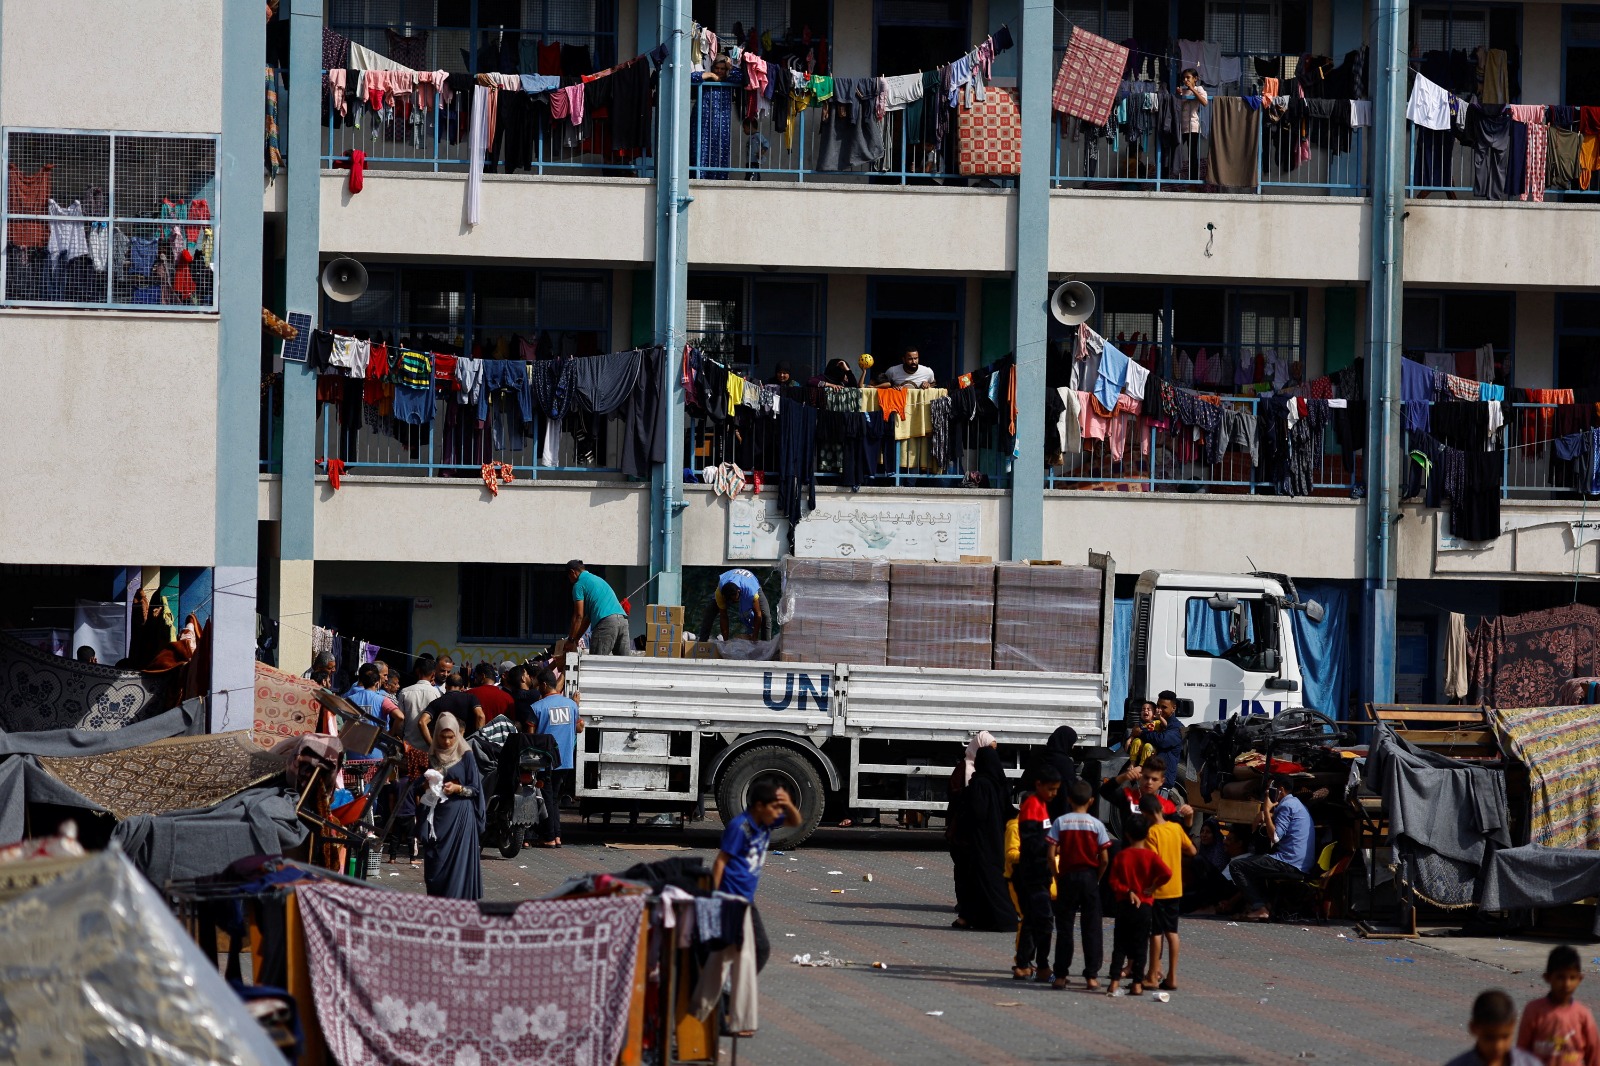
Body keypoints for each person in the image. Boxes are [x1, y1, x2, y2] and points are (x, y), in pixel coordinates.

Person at [1048, 779, 1111, 991]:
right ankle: (1091, 976)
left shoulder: (1061, 822)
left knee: (1064, 927)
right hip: (1089, 877)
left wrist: (1056, 875)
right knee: (1091, 927)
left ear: (1068, 800)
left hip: (1067, 877)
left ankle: (1060, 975)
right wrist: (1098, 877)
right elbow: (1104, 858)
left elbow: (1050, 853)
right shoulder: (1097, 825)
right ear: (1092, 801)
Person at [1227, 778, 1318, 921]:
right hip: (1300, 863)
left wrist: (1265, 809)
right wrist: (1268, 815)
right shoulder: (1295, 804)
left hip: (1290, 863)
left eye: (1270, 789)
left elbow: (1275, 837)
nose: (1267, 792)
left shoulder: (1286, 805)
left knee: (1237, 866)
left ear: (1280, 790)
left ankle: (1260, 907)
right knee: (1255, 862)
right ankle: (1266, 904)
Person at [416, 712, 486, 899]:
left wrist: (457, 788)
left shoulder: (466, 756)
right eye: (442, 736)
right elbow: (417, 785)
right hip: (437, 817)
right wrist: (426, 785)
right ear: (436, 734)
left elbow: (475, 789)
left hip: (460, 818)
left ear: (457, 735)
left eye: (451, 737)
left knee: (458, 865)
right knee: (435, 862)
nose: (447, 742)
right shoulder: (431, 755)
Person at [954, 746, 1018, 932]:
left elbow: (977, 813)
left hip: (981, 840)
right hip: (997, 838)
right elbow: (1007, 810)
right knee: (982, 879)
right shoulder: (999, 783)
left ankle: (1004, 919)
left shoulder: (980, 784)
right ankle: (972, 918)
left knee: (983, 878)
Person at [1105, 817, 1170, 998]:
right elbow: (1167, 873)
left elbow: (1113, 881)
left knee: (1120, 944)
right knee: (1141, 945)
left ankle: (1114, 981)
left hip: (1125, 905)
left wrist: (1128, 891)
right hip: (1145, 905)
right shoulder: (1151, 856)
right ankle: (1137, 984)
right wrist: (1153, 887)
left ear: (1127, 834)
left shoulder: (1122, 856)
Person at [523, 668, 583, 847]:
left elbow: (530, 736)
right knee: (554, 798)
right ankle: (556, 836)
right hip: (564, 760)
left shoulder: (537, 707)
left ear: (543, 685)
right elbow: (579, 728)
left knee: (546, 797)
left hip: (544, 761)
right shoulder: (572, 705)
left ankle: (549, 837)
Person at [1141, 794, 1195, 991]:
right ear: (1162, 810)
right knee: (1172, 932)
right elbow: (1192, 851)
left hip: (1159, 890)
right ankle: (1172, 976)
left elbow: (1153, 865)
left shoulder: (1151, 833)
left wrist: (1150, 887)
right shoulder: (1175, 828)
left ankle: (1152, 975)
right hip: (1175, 888)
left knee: (1155, 933)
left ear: (1145, 814)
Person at [1010, 764, 1059, 981]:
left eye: (1056, 789)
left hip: (1039, 871)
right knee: (1044, 920)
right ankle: (1042, 966)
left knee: (1032, 919)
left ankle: (1023, 964)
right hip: (1033, 873)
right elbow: (1030, 842)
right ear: (1038, 785)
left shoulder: (1042, 804)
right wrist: (1051, 847)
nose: (1054, 793)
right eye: (1050, 789)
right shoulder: (1032, 807)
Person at [1518, 946, 1600, 1065]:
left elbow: (1593, 1056)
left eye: (1572, 978)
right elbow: (1522, 1052)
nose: (1566, 984)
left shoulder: (1583, 1015)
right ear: (1548, 978)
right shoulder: (1534, 1010)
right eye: (1560, 977)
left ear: (1579, 979)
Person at [947, 730, 996, 915]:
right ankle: (964, 903)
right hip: (961, 826)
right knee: (962, 867)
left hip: (977, 830)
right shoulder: (963, 768)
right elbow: (953, 792)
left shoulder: (989, 772)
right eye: (988, 750)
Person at [1099, 756, 1193, 839]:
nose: (1149, 782)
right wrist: (1124, 776)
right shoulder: (1129, 798)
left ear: (1162, 781)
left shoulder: (1167, 806)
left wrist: (1188, 817)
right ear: (1140, 777)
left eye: (1154, 779)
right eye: (1146, 777)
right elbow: (1105, 791)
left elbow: (1182, 834)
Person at [1446, 990, 1542, 1066]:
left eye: (1505, 1037)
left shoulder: (1530, 1063)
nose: (1498, 1046)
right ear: (1473, 1028)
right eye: (1489, 1038)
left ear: (1513, 1026)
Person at [566, 560, 630, 656]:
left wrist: (570, 640)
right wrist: (576, 638)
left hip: (606, 623)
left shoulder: (578, 585)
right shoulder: (597, 580)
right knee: (624, 665)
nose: (569, 579)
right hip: (623, 621)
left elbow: (578, 616)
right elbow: (587, 619)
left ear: (572, 572)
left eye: (568, 576)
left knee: (596, 663)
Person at [1020, 726, 1080, 818]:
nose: (1073, 746)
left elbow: (1026, 782)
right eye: (1072, 743)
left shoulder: (1038, 758)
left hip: (1035, 811)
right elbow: (1069, 789)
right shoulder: (1065, 763)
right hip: (1058, 813)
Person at [397, 655, 440, 766]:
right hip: (428, 747)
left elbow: (400, 721)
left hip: (409, 747)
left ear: (417, 672)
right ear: (433, 674)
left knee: (409, 780)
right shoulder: (437, 694)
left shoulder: (404, 692)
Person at [417, 672, 484, 744]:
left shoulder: (437, 702)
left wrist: (432, 745)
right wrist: (478, 740)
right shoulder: (471, 698)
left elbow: (422, 722)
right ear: (462, 687)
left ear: (446, 686)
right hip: (467, 745)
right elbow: (480, 716)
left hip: (446, 746)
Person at [712, 568, 773, 642]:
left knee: (766, 616)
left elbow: (758, 614)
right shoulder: (719, 593)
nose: (734, 601)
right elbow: (723, 616)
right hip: (732, 577)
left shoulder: (751, 591)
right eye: (731, 600)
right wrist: (726, 641)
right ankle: (703, 640)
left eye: (735, 599)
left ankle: (766, 645)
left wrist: (754, 637)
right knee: (710, 611)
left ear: (738, 592)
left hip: (750, 581)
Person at [343, 663, 402, 736]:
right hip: (378, 744)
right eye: (385, 675)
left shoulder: (349, 699)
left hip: (355, 742)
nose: (386, 678)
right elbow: (400, 716)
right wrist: (391, 734)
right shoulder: (383, 700)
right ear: (377, 683)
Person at [1144, 692, 1186, 786]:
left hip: (1163, 783)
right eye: (1158, 706)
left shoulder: (1177, 728)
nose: (1159, 710)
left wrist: (1143, 732)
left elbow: (1162, 740)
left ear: (1173, 708)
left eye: (1164, 707)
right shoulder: (1155, 722)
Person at [1177, 68, 1209, 182]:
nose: (1186, 80)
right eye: (1184, 78)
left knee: (1193, 155)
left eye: (1188, 77)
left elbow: (1205, 102)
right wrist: (1179, 95)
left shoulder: (1198, 88)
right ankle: (1175, 177)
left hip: (1193, 127)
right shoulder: (1183, 91)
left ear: (1195, 79)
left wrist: (1192, 90)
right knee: (1176, 151)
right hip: (1181, 127)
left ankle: (1193, 181)